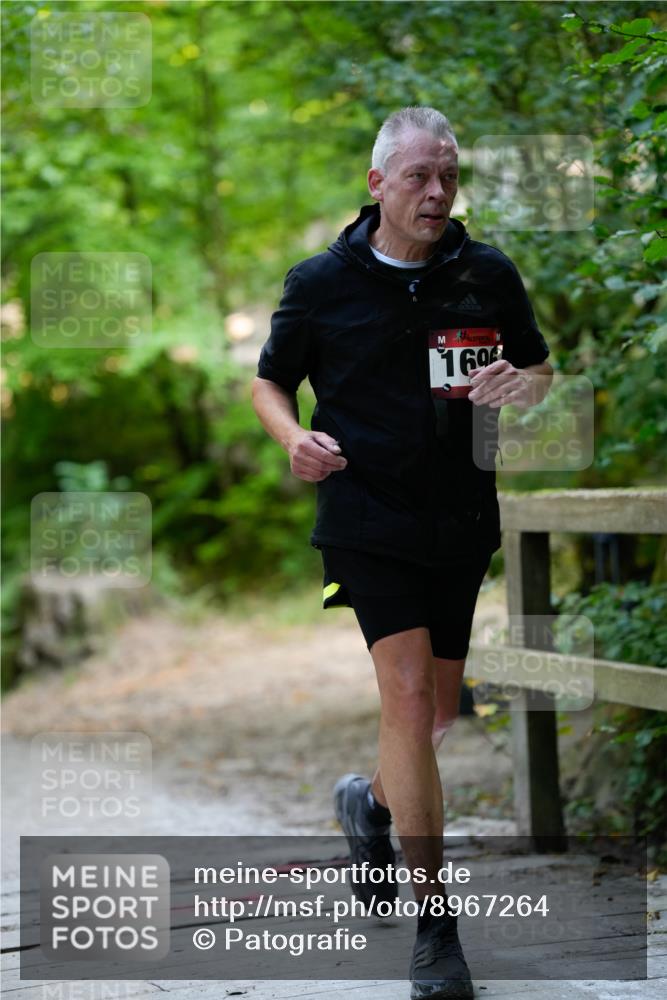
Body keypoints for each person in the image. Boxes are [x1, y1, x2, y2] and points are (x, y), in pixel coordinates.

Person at [252, 106, 553, 1000]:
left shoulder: (485, 273)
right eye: (419, 175)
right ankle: (436, 931)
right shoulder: (321, 282)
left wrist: (521, 384)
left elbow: (538, 370)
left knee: (435, 717)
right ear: (377, 182)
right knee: (411, 695)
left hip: (459, 519)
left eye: (448, 175)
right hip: (364, 516)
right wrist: (291, 439)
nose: (436, 191)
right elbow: (269, 381)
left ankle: (370, 802)